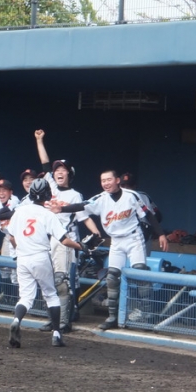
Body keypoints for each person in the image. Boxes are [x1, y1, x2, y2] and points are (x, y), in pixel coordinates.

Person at [52, 169, 169, 330]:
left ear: (117, 180)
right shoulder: (100, 198)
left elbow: (148, 215)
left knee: (140, 273)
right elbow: (82, 205)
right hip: (116, 241)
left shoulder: (131, 195)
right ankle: (113, 317)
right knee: (112, 277)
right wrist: (61, 209)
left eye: (109, 180)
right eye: (103, 180)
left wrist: (161, 234)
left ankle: (148, 316)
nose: (106, 183)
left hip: (134, 238)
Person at [6, 178, 85, 348]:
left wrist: (20, 249)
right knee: (50, 295)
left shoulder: (20, 211)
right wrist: (81, 246)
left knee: (26, 297)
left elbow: (11, 237)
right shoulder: (48, 214)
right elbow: (64, 240)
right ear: (47, 195)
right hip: (40, 257)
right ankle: (56, 334)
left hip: (23, 258)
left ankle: (16, 320)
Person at [35, 129, 101, 332]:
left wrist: (97, 234)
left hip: (66, 241)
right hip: (47, 240)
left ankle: (64, 321)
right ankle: (53, 318)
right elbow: (45, 164)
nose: (59, 172)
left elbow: (85, 217)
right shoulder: (51, 187)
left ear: (69, 174)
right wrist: (39, 141)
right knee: (47, 280)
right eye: (57, 170)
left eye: (63, 170)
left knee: (62, 281)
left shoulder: (75, 195)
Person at [120, 172, 162, 254]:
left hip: (142, 236)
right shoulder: (113, 199)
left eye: (129, 185)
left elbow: (158, 216)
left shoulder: (142, 196)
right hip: (122, 238)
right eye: (123, 185)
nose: (126, 188)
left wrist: (153, 230)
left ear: (134, 186)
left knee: (142, 261)